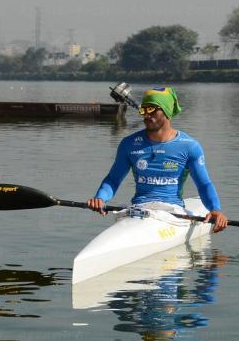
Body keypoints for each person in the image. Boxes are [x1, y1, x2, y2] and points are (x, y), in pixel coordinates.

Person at [87, 86, 228, 232]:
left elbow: (203, 184)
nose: (146, 115)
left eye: (152, 110)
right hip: (138, 210)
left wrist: (215, 209)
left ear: (166, 111)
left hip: (173, 212)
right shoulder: (128, 144)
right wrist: (100, 198)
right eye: (144, 110)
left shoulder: (189, 146)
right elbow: (113, 179)